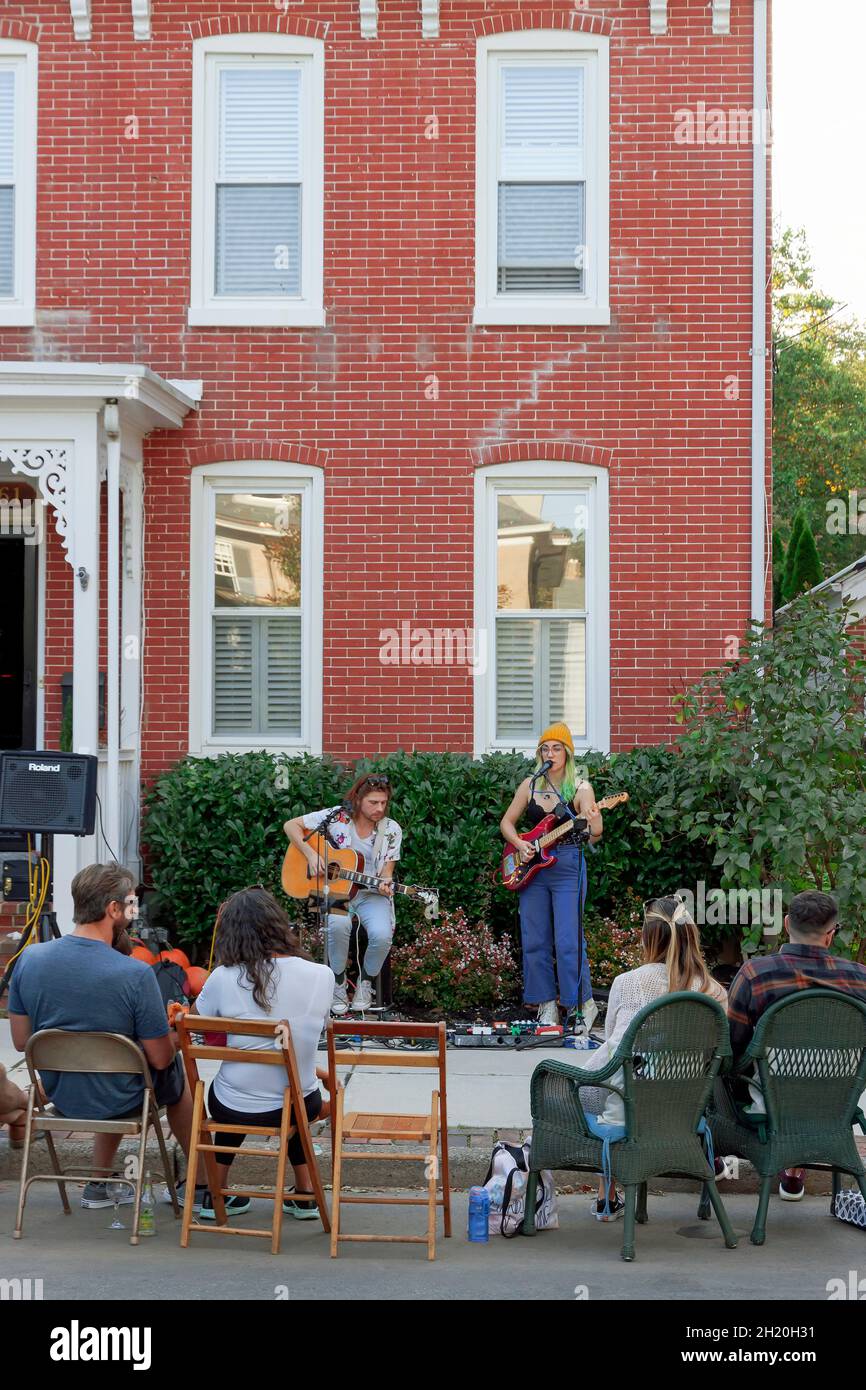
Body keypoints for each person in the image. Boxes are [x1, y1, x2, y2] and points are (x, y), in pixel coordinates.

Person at [7, 863, 205, 1211]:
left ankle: (99, 1183)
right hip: (121, 1097)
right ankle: (203, 1185)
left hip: (63, 1094)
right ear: (112, 909)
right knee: (174, 1070)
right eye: (130, 904)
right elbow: (158, 1058)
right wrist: (178, 1033)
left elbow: (22, 1040)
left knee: (119, 1066)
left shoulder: (30, 959)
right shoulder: (135, 973)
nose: (134, 911)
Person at [578, 897, 727, 1220]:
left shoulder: (628, 983)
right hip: (684, 1114)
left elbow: (613, 1053)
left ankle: (607, 1194)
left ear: (647, 937)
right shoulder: (715, 993)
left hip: (631, 1104)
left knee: (593, 1090)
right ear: (691, 935)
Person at [191, 887, 334, 1221]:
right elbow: (316, 1031)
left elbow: (195, 1019)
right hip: (298, 1102)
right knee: (295, 1098)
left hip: (233, 1106)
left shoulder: (222, 978)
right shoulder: (321, 976)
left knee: (235, 1092)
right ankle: (305, 1194)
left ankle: (217, 1194)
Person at [726, 889, 866, 1202]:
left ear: (787, 924)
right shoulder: (861, 980)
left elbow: (733, 1049)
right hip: (835, 1106)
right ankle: (793, 1168)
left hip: (771, 1104)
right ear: (830, 936)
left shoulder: (755, 975)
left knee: (721, 1077)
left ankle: (724, 1164)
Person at [500, 724, 602, 1029]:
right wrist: (520, 844)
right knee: (535, 938)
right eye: (545, 748)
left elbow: (595, 835)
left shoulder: (581, 788)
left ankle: (578, 1004)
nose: (550, 753)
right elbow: (507, 822)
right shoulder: (530, 785)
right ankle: (545, 1004)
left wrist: (594, 821)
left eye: (557, 748)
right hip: (532, 869)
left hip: (568, 865)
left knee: (569, 939)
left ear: (567, 754)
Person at [284, 772, 402, 1014]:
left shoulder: (391, 829)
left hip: (371, 894)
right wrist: (310, 854)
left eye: (383, 803)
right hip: (329, 889)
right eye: (373, 803)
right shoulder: (336, 816)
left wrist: (386, 883)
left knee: (381, 934)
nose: (380, 808)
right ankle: (337, 984)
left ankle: (365, 982)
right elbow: (290, 825)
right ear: (358, 800)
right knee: (337, 925)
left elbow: (388, 872)